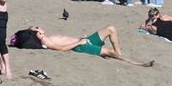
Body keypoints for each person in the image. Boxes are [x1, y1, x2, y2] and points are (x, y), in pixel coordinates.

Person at [10, 24, 152, 65]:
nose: (39, 26)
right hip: (80, 46)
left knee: (111, 28)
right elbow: (61, 49)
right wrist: (79, 42)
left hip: (82, 40)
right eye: (36, 28)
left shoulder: (44, 37)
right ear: (36, 34)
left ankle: (119, 55)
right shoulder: (45, 41)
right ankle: (133, 62)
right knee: (109, 52)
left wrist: (81, 38)